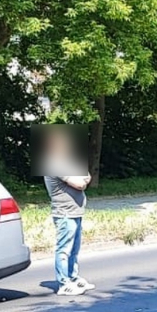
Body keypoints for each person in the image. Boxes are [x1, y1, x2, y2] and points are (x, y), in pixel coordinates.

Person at [40, 126, 95, 296]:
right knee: (64, 249)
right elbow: (80, 183)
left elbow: (86, 176)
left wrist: (82, 180)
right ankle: (63, 283)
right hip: (64, 213)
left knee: (74, 249)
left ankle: (73, 277)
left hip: (75, 212)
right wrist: (81, 181)